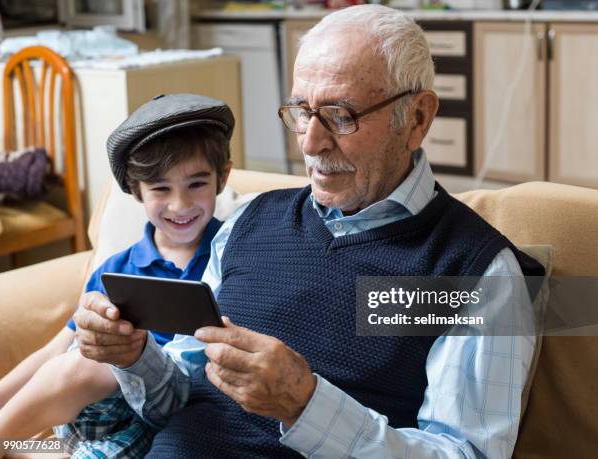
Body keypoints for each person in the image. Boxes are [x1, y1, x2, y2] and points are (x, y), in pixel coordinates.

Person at [74, 5, 544, 459]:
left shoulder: (474, 274)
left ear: (417, 118)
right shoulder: (246, 222)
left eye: (340, 115)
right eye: (301, 110)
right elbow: (173, 402)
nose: (310, 142)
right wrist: (135, 358)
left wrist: (305, 405)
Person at [0, 94, 234, 458]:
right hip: (94, 407)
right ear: (136, 191)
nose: (180, 205)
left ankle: (14, 445)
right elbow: (54, 351)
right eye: (160, 189)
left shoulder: (236, 252)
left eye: (196, 185)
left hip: (165, 416)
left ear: (223, 177)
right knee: (84, 360)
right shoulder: (118, 268)